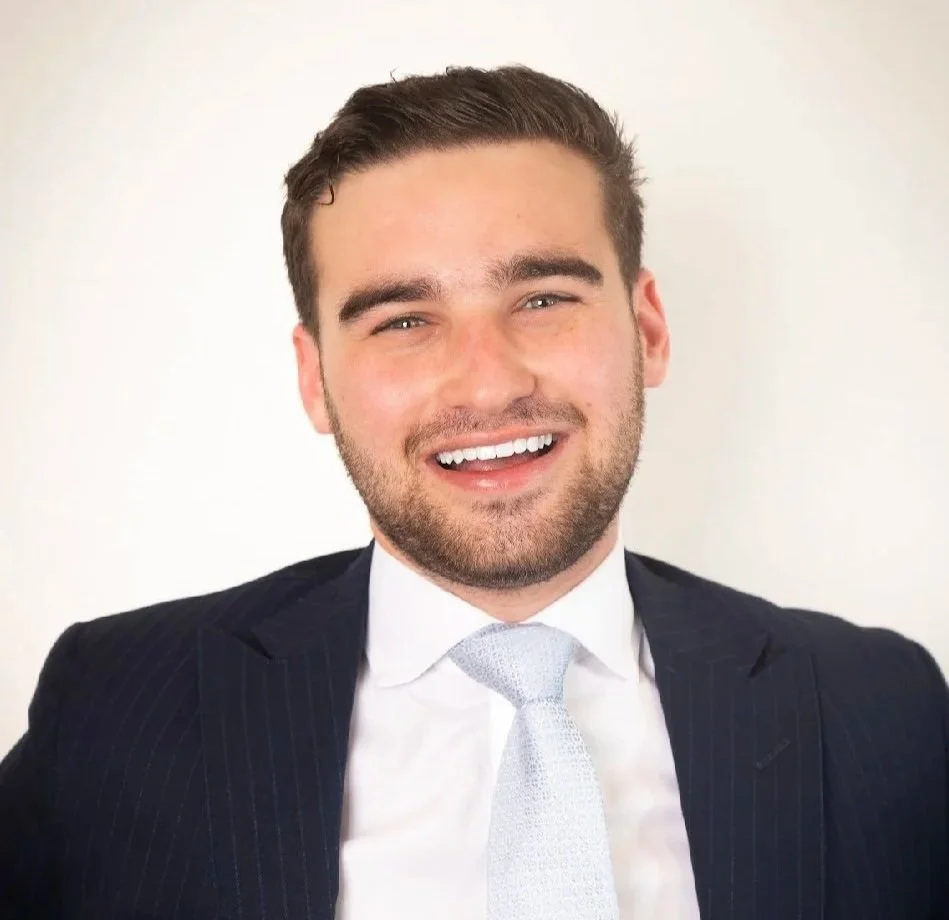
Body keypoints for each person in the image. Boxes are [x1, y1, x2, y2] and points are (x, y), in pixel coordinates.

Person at [1, 64, 947, 920]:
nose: (487, 384)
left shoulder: (878, 705)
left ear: (647, 328)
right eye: (404, 319)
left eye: (542, 299)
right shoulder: (115, 704)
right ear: (313, 378)